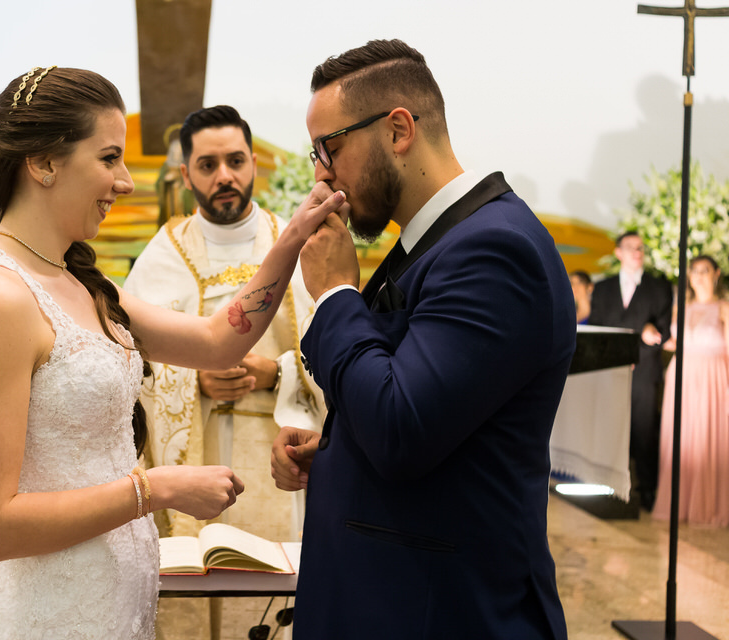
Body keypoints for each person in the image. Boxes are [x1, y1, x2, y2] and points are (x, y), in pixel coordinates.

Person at [0, 67, 341, 640]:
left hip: (113, 608)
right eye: (109, 159)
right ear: (44, 163)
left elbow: (216, 340)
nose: (125, 182)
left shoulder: (81, 281)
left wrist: (292, 237)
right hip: (45, 614)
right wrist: (157, 489)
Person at [269, 39, 575, 639]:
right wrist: (336, 453)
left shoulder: (494, 250)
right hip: (396, 596)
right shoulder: (439, 241)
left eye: (328, 148)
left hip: (441, 611)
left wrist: (334, 295)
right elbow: (424, 406)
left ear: (399, 130)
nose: (320, 173)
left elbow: (401, 429)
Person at [123, 105, 324, 640]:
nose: (224, 176)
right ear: (186, 175)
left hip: (277, 454)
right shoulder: (163, 256)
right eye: (207, 165)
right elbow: (131, 365)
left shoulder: (297, 245)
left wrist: (276, 372)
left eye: (235, 161)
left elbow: (337, 350)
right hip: (194, 456)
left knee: (272, 603)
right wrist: (193, 376)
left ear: (253, 162)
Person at [589, 231, 673, 510]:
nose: (638, 252)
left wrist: (639, 346)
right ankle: (608, 485)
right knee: (611, 427)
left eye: (641, 247)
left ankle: (647, 490)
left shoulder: (659, 288)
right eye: (631, 247)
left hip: (645, 370)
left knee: (644, 430)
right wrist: (634, 340)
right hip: (610, 370)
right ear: (618, 253)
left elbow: (661, 332)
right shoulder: (602, 289)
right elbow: (599, 327)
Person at [653, 255, 729, 526]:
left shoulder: (724, 308)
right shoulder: (681, 306)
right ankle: (680, 505)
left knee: (709, 438)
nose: (698, 276)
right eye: (694, 271)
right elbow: (676, 341)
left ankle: (708, 508)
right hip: (683, 375)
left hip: (713, 377)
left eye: (704, 270)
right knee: (683, 438)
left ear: (716, 273)